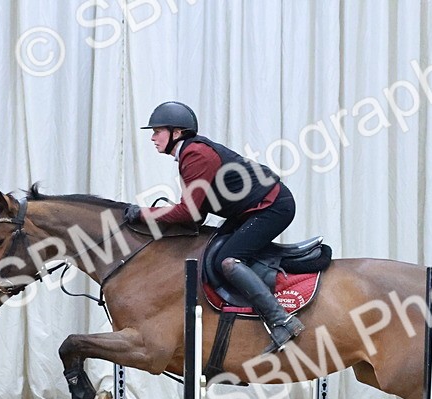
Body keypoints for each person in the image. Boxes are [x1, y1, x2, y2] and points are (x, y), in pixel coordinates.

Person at [123, 101, 305, 354]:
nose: (153, 138)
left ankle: (282, 321)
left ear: (176, 133)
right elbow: (196, 216)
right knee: (210, 253)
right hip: (252, 209)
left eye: (157, 131)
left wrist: (144, 213)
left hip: (272, 207)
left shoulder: (195, 154)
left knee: (228, 261)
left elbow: (188, 212)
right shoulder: (189, 154)